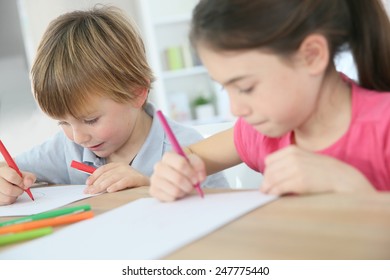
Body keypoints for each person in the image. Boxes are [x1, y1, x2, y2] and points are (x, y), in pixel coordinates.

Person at [150, 0, 390, 202]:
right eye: (226, 88)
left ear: (312, 56)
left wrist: (353, 188)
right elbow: (190, 155)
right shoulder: (261, 131)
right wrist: (176, 171)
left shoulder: (384, 127)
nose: (236, 109)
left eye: (246, 87)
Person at [0, 6, 228, 206]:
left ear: (137, 93)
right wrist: (6, 182)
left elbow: (225, 219)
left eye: (90, 120)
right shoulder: (67, 148)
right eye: (63, 122)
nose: (78, 137)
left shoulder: (187, 150)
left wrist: (148, 189)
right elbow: (10, 169)